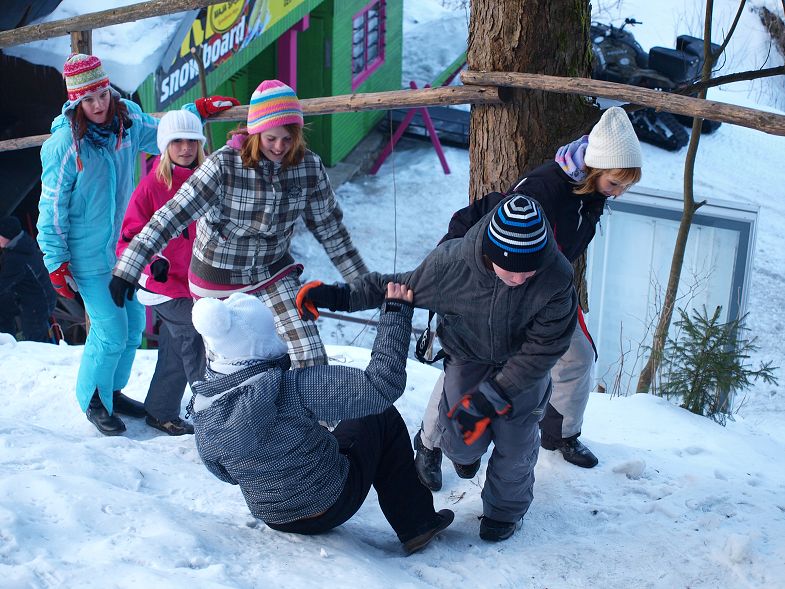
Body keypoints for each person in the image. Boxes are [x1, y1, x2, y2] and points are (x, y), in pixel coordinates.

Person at [296, 194, 578, 542]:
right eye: (512, 268)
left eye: (529, 269)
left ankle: (503, 512)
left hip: (523, 369)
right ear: (492, 253)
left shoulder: (555, 277)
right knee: (459, 437)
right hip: (468, 355)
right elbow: (398, 286)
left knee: (516, 444)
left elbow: (544, 348)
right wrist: (338, 296)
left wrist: (492, 397)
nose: (520, 279)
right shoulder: (451, 265)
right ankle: (464, 455)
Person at [412, 106, 643, 475]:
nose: (619, 193)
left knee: (579, 356)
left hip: (546, 293)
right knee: (467, 362)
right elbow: (499, 245)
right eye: (616, 183)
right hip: (500, 291)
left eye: (625, 186)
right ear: (596, 167)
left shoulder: (592, 192)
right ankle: (429, 443)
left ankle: (559, 433)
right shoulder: (543, 189)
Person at [37, 53, 236, 436]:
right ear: (76, 102)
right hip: (86, 255)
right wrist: (55, 262)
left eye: (102, 95)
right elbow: (52, 209)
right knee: (110, 330)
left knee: (132, 329)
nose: (98, 105)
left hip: (126, 252)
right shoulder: (64, 145)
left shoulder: (125, 122)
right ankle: (93, 400)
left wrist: (193, 113)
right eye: (88, 100)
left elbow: (161, 135)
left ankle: (111, 391)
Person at [110, 79, 368, 370]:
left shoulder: (307, 167)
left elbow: (331, 230)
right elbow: (169, 217)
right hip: (216, 275)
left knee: (307, 347)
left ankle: (310, 398)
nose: (280, 147)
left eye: (287, 139)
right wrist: (129, 269)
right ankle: (233, 393)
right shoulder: (223, 166)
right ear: (255, 133)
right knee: (234, 362)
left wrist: (364, 284)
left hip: (271, 270)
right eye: (271, 139)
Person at [187, 285, 453, 555]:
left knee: (336, 432)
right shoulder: (293, 387)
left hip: (273, 516)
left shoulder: (205, 407)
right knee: (379, 413)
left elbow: (223, 473)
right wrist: (395, 312)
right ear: (263, 342)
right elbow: (381, 386)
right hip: (331, 503)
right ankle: (417, 524)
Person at [115, 110, 208, 436]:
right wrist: (153, 259)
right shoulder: (152, 186)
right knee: (197, 337)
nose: (185, 148)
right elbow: (128, 240)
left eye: (192, 141)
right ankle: (214, 414)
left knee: (175, 347)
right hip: (163, 285)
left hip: (197, 282)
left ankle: (160, 410)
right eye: (177, 141)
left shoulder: (207, 180)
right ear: (165, 146)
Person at [0, 216, 57, 342]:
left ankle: (41, 354)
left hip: (38, 302)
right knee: (3, 306)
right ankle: (7, 340)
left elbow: (3, 283)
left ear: (7, 236)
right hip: (31, 295)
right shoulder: (22, 244)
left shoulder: (16, 258)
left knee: (34, 338)